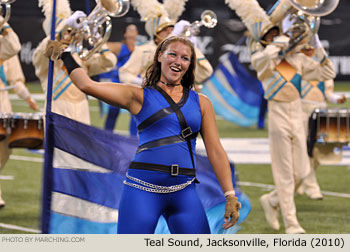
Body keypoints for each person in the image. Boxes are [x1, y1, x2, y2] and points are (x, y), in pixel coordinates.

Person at [46, 35, 241, 234]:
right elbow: (87, 85)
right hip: (142, 190)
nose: (177, 61)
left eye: (184, 58)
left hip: (185, 192)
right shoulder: (138, 96)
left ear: (190, 64)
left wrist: (230, 195)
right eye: (172, 54)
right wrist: (65, 54)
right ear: (159, 56)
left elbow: (215, 150)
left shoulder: (202, 102)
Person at [249, 23, 336, 233]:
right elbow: (264, 59)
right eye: (271, 36)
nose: (278, 37)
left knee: (303, 170)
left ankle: (272, 200)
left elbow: (327, 71)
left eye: (277, 33)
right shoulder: (263, 60)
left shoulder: (297, 60)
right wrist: (277, 44)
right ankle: (291, 222)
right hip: (278, 113)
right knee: (284, 173)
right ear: (266, 41)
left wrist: (317, 45)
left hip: (297, 111)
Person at [33, 4, 116, 125]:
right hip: (57, 109)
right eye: (66, 31)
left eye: (71, 31)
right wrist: (64, 26)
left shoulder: (80, 57)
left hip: (82, 110)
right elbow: (46, 47)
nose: (68, 35)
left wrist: (96, 38)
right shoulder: (46, 59)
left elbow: (110, 62)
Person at [297, 41, 346, 200]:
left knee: (318, 151)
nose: (309, 51)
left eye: (311, 48)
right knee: (305, 150)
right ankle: (311, 186)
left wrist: (337, 99)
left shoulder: (321, 70)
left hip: (320, 112)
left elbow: (328, 94)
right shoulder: (297, 66)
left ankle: (303, 182)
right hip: (302, 111)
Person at [1, 40, 39, 208]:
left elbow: (16, 81)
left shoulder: (7, 47)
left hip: (3, 106)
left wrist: (28, 98)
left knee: (5, 151)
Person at [98, 24, 139, 134]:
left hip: (134, 85)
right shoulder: (119, 46)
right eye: (128, 29)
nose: (131, 31)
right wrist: (98, 39)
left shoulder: (140, 48)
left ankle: (133, 140)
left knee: (135, 113)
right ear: (125, 34)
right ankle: (106, 136)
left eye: (133, 30)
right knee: (113, 111)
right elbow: (104, 46)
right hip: (119, 84)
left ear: (137, 34)